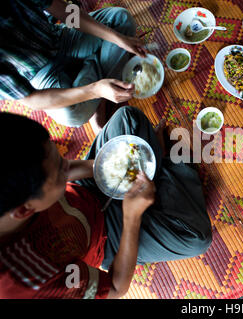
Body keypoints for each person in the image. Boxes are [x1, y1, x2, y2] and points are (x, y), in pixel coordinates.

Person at [0, 107, 212, 298]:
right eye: (58, 170)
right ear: (24, 210)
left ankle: (159, 171)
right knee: (196, 237)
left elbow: (67, 169)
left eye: (60, 158)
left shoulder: (24, 188)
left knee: (127, 119)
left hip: (85, 190)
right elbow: (115, 288)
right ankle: (161, 168)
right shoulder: (29, 280)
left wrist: (115, 167)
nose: (66, 165)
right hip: (106, 240)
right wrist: (131, 218)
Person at [0, 0, 149, 130]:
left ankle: (90, 85)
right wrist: (95, 90)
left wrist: (118, 39)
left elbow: (66, 14)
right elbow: (31, 99)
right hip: (39, 73)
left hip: (60, 37)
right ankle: (97, 87)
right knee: (72, 115)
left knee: (121, 18)